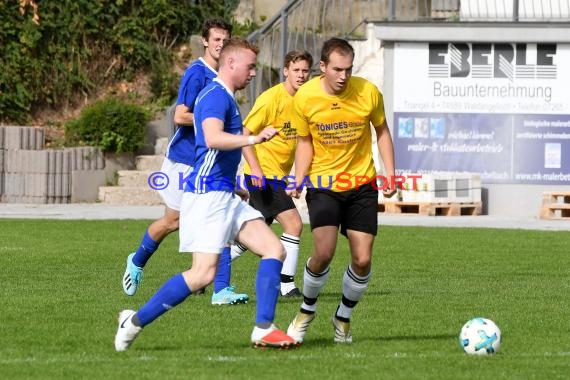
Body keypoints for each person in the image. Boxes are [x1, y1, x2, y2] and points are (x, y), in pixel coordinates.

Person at [115, 38, 297, 351]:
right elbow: (212, 139)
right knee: (202, 275)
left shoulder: (225, 96)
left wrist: (236, 184)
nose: (254, 73)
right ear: (231, 64)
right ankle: (133, 323)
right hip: (207, 196)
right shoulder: (215, 96)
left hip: (223, 192)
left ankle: (264, 327)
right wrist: (254, 139)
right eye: (250, 66)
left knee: (274, 249)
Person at [121, 19, 248, 305]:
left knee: (219, 217)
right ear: (205, 41)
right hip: (184, 161)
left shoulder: (227, 76)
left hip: (209, 161)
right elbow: (180, 115)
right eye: (215, 39)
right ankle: (138, 259)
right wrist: (212, 121)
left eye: (224, 40)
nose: (220, 44)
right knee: (173, 221)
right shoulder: (197, 73)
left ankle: (220, 289)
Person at [285, 37, 396, 344]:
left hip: (362, 184)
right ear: (322, 67)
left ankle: (343, 317)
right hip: (323, 185)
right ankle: (306, 310)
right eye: (337, 69)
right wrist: (298, 178)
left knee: (362, 259)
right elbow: (304, 142)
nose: (344, 76)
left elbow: (382, 131)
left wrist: (391, 173)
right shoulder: (305, 98)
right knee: (324, 251)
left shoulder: (368, 92)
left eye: (348, 69)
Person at [214, 50, 313, 298]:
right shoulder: (271, 99)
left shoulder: (305, 101)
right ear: (286, 71)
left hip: (278, 176)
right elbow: (244, 132)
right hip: (263, 175)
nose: (301, 75)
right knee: (294, 224)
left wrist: (299, 177)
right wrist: (255, 170)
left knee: (251, 236)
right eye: (296, 70)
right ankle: (287, 284)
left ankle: (210, 268)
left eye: (305, 71)